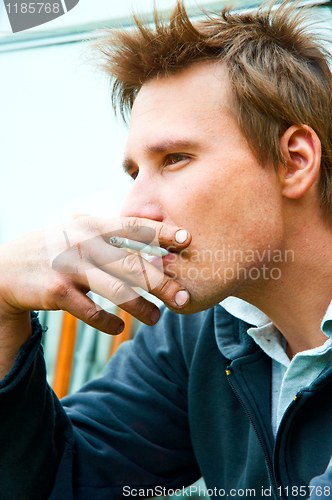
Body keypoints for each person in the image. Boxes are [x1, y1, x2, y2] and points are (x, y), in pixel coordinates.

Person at [1, 0, 332, 498]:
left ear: (294, 161)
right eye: (134, 173)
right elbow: (59, 483)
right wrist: (3, 309)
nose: (135, 209)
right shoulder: (200, 331)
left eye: (175, 159)